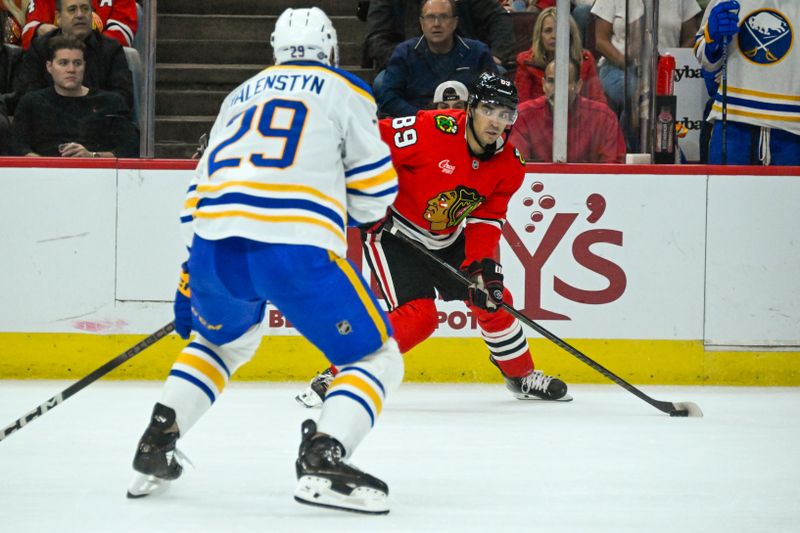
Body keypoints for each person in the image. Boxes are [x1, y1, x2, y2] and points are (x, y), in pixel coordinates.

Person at [126, 7, 404, 515]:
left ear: (273, 52)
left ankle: (157, 440)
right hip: (295, 245)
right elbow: (374, 194)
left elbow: (198, 193)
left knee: (218, 344)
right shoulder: (347, 90)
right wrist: (346, 201)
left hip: (215, 247)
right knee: (375, 357)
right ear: (332, 51)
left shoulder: (238, 95)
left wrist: (192, 273)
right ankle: (324, 455)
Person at [296, 72, 569, 408]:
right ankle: (339, 374)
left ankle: (521, 376)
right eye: (489, 110)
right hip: (394, 234)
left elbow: (485, 219)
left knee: (492, 298)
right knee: (420, 317)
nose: (497, 121)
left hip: (448, 237)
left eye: (506, 114)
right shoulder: (429, 129)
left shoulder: (510, 165)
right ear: (471, 107)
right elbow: (365, 146)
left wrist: (483, 266)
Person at [694, 0, 800, 165]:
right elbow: (706, 61)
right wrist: (712, 41)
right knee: (727, 190)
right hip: (734, 123)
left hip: (792, 128)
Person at [7, 35, 138, 157]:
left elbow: (129, 148)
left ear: (84, 66)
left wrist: (93, 156)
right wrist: (47, 167)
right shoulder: (31, 102)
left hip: (96, 175)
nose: (71, 69)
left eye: (77, 63)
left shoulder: (111, 102)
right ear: (49, 66)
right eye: (63, 63)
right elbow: (17, 147)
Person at [376, 0, 497, 117]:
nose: (436, 24)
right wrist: (425, 117)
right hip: (420, 126)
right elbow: (389, 98)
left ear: (455, 22)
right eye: (430, 17)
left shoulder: (478, 52)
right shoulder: (404, 53)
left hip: (466, 126)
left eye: (444, 17)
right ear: (421, 23)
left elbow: (493, 96)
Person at [12, 0, 133, 111]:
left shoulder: (111, 49)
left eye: (85, 9)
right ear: (58, 17)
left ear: (92, 14)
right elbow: (26, 95)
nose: (80, 15)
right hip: (50, 125)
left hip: (98, 126)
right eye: (72, 9)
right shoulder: (40, 48)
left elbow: (123, 98)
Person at [592, 0, 701, 115]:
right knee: (641, 95)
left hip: (668, 70)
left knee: (649, 97)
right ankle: (628, 131)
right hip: (619, 69)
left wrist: (672, 64)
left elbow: (691, 37)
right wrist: (627, 63)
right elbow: (601, 41)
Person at [510, 58, 626, 162]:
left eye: (564, 82)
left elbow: (614, 168)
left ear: (578, 86)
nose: (557, 88)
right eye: (551, 81)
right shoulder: (523, 115)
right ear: (543, 84)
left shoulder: (604, 118)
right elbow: (515, 165)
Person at [363, 0, 514, 74]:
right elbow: (376, 38)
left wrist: (496, 54)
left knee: (497, 72)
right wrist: (402, 60)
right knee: (383, 82)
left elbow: (498, 18)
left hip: (466, 62)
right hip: (409, 65)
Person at [514, 6, 606, 104]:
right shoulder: (526, 61)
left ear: (570, 34)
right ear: (540, 35)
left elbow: (598, 100)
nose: (554, 36)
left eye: (559, 30)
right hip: (538, 117)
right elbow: (521, 105)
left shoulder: (585, 60)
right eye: (548, 31)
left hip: (578, 116)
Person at [21, 0, 137, 49]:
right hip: (55, 62)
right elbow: (29, 33)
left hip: (101, 64)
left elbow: (122, 36)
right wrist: (41, 29)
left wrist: (83, 46)